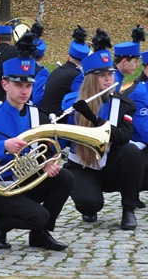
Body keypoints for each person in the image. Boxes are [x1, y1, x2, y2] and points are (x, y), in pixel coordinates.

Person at [0, 57, 73, 252]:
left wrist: (47, 162)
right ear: (5, 84)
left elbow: (49, 149)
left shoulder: (37, 115)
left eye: (28, 86)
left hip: (25, 182)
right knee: (40, 216)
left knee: (65, 177)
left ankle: (40, 235)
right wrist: (3, 146)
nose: (24, 91)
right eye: (18, 85)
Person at [61, 49, 143, 230]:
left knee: (132, 152)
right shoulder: (71, 103)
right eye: (102, 76)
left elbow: (123, 137)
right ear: (91, 79)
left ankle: (128, 209)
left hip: (111, 164)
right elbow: (63, 139)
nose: (108, 79)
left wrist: (93, 118)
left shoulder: (124, 104)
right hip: (82, 165)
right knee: (89, 204)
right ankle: (89, 202)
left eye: (110, 75)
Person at [41, 26, 89, 116]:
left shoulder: (58, 70)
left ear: (68, 57)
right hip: (57, 119)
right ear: (85, 61)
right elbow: (81, 100)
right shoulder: (77, 76)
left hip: (45, 115)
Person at [112, 26, 145, 93]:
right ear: (124, 61)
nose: (137, 65)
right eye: (135, 61)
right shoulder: (113, 80)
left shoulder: (115, 75)